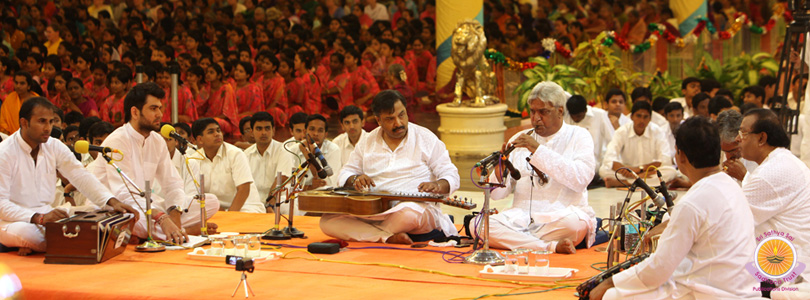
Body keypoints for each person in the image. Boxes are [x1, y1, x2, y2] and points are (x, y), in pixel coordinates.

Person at [588, 117, 762, 300]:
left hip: (715, 293)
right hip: (739, 287)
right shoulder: (732, 186)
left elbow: (660, 268)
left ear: (681, 156)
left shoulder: (693, 202)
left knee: (612, 295)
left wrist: (609, 281)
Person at [0, 98, 138, 256]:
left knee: (99, 211)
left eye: (51, 122)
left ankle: (41, 245)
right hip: (12, 221)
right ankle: (39, 242)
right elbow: (1, 205)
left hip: (47, 214)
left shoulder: (54, 146)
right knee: (29, 234)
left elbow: (81, 176)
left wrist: (111, 201)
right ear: (24, 123)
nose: (48, 128)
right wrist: (37, 218)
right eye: (42, 121)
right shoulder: (4, 153)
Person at [320, 90, 459, 245]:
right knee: (327, 221)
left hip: (414, 210)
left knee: (408, 214)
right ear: (378, 120)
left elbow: (451, 174)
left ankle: (371, 234)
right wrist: (355, 179)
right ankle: (387, 236)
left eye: (401, 115)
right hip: (373, 210)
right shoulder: (367, 141)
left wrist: (438, 185)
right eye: (390, 119)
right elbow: (346, 172)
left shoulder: (425, 138)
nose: (398, 123)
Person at [89, 83, 219, 244]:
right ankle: (183, 232)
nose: (160, 114)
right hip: (117, 208)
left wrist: (174, 214)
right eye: (153, 109)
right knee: (136, 220)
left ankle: (172, 231)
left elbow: (172, 183)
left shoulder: (157, 140)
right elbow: (124, 193)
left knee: (211, 201)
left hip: (148, 205)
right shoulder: (117, 140)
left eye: (160, 108)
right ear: (135, 112)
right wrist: (162, 218)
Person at [480, 82, 595, 253]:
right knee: (482, 226)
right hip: (522, 216)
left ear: (560, 111)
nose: (536, 118)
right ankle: (549, 246)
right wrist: (501, 168)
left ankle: (521, 242)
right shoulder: (519, 138)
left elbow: (580, 179)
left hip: (560, 217)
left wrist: (537, 150)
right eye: (533, 111)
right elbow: (496, 195)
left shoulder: (579, 136)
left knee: (574, 225)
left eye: (543, 112)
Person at [738, 109, 810, 297]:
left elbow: (730, 220)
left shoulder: (774, 171)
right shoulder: (780, 160)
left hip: (786, 274)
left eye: (743, 133)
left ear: (761, 138)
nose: (738, 139)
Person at [188, 118, 265, 213]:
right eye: (211, 132)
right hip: (214, 209)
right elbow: (193, 193)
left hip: (245, 206)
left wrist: (229, 216)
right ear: (199, 139)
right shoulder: (193, 160)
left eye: (218, 130)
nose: (217, 134)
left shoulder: (235, 154)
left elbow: (244, 189)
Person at [599, 101, 676, 187]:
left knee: (670, 171)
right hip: (627, 171)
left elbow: (665, 159)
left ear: (650, 118)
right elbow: (609, 158)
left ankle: (626, 183)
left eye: (645, 117)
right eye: (638, 116)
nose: (641, 120)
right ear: (631, 117)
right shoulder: (622, 131)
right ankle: (641, 182)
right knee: (603, 170)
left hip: (648, 171)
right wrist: (626, 170)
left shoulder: (657, 131)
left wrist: (641, 169)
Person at [565, 95, 611, 176]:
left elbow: (611, 139)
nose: (575, 120)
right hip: (573, 162)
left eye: (578, 116)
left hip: (595, 162)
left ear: (585, 110)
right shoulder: (567, 118)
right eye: (573, 117)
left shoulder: (600, 115)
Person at [244, 112, 283, 204]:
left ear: (273, 131)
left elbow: (281, 180)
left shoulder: (283, 150)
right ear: (251, 132)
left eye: (267, 128)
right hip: (254, 202)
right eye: (259, 129)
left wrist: (270, 205)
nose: (263, 133)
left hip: (279, 200)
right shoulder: (246, 154)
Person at [717, 110, 758, 183]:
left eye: (733, 150)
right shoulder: (716, 152)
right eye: (724, 151)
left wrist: (744, 176)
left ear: (742, 137)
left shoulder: (758, 155)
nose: (728, 156)